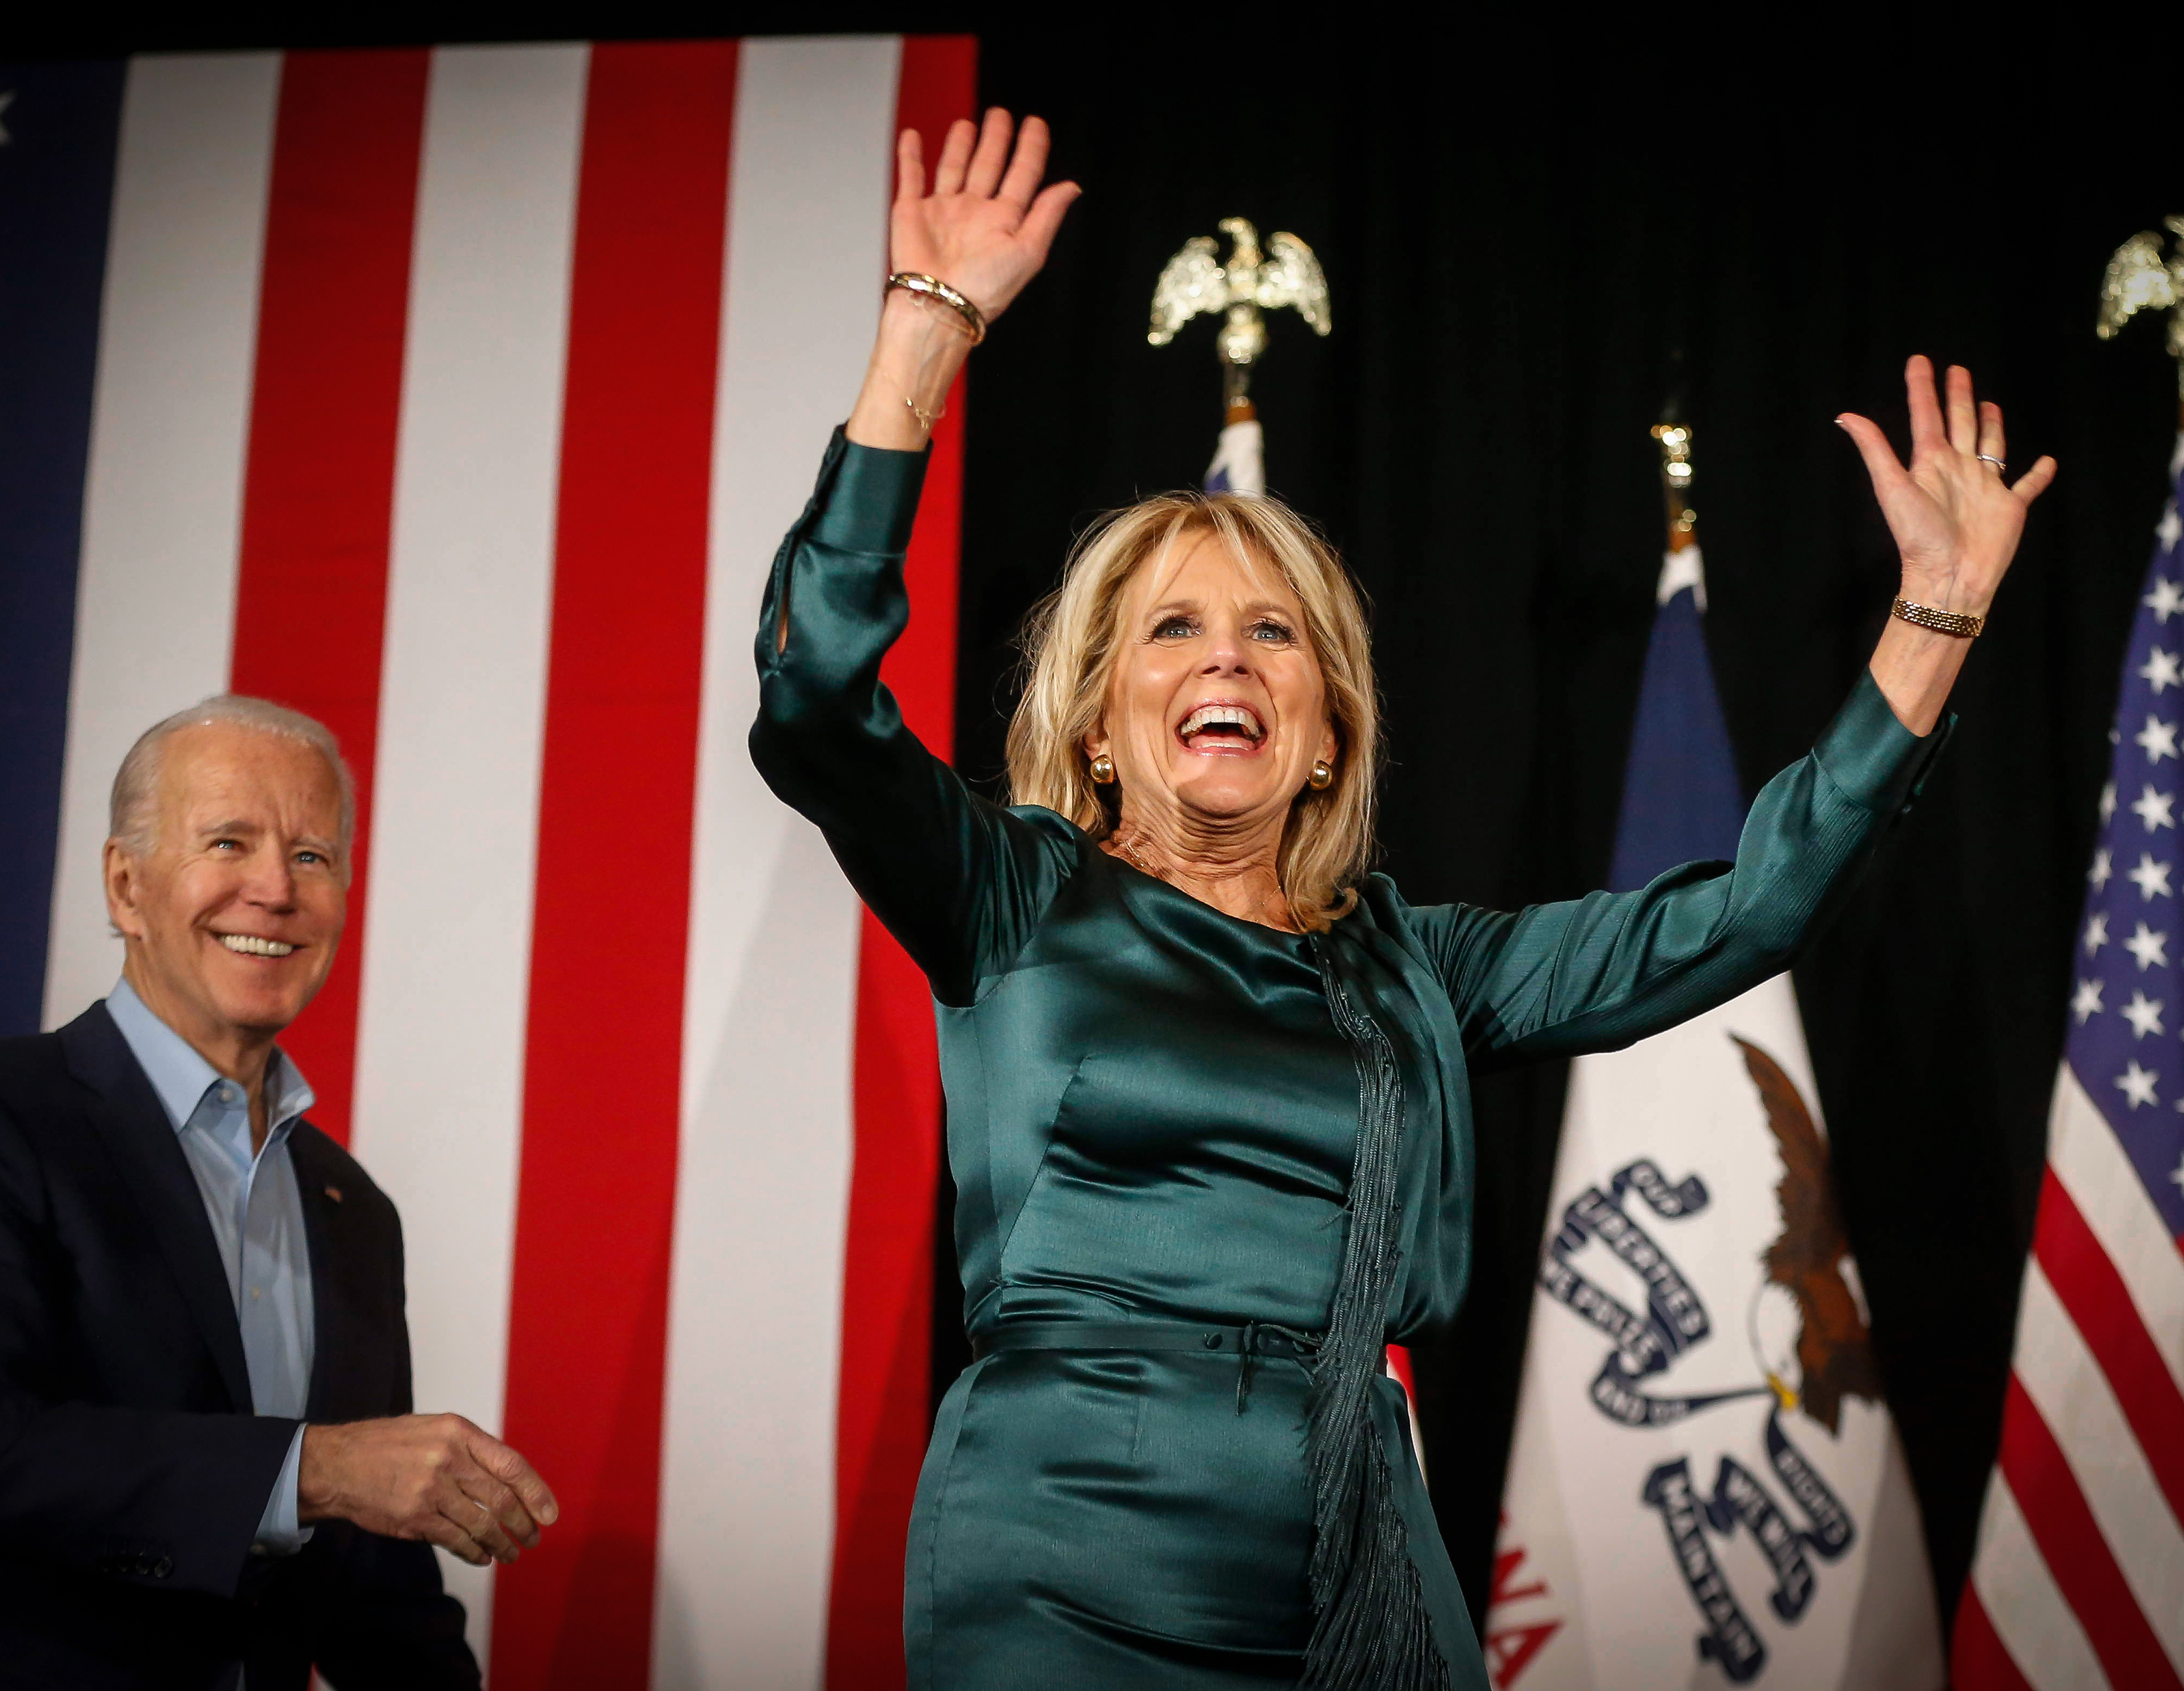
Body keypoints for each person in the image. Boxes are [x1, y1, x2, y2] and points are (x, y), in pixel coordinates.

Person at [749, 111, 2053, 1688]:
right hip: (1064, 1545)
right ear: (1095, 726)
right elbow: (816, 697)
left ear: (1325, 739)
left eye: (1271, 635)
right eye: (1170, 631)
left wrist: (1937, 615)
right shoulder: (1011, 897)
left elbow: (1751, 911)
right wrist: (923, 335)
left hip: (1352, 1549)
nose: (1225, 656)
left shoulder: (1417, 969)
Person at [0, 696, 559, 1691]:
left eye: (312, 856)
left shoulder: (353, 1209)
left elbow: (371, 1580)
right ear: (126, 886)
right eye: (228, 841)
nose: (274, 890)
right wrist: (317, 1467)